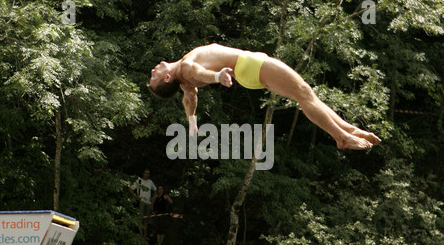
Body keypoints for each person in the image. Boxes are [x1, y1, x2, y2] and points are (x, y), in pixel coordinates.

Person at [147, 43, 381, 150]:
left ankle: (348, 130)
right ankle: (341, 136)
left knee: (305, 94)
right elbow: (201, 73)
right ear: (166, 79)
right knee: (304, 94)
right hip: (248, 65)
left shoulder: (184, 83)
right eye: (154, 77)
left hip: (247, 72)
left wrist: (192, 122)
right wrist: (218, 76)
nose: (153, 71)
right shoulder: (186, 68)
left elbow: (190, 99)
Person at [129, 169, 157, 238]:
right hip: (141, 202)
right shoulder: (139, 181)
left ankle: (145, 235)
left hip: (148, 202)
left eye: (148, 173)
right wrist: (135, 195)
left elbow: (155, 190)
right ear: (143, 174)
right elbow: (130, 189)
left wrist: (153, 198)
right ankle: (140, 235)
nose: (147, 175)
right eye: (146, 173)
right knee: (140, 219)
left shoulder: (150, 182)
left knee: (146, 219)